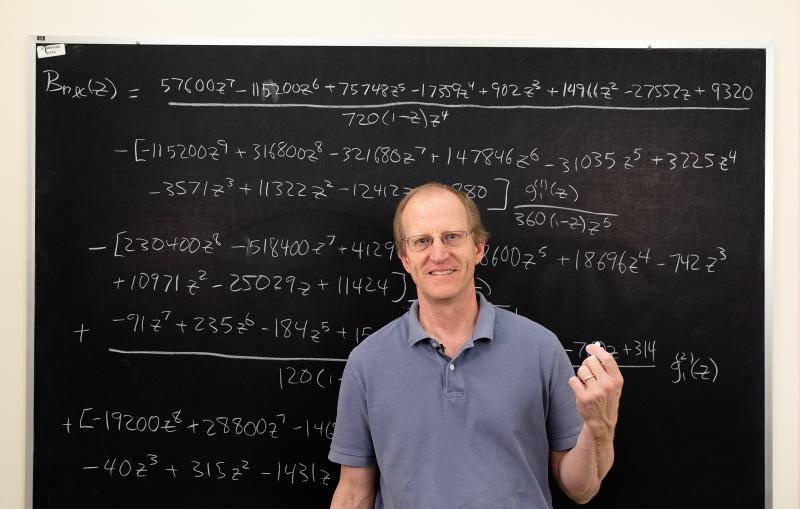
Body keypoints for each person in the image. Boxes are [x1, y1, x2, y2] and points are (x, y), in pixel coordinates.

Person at [328, 182, 623, 509]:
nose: (438, 254)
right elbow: (354, 493)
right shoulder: (368, 362)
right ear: (406, 258)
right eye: (422, 241)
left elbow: (580, 488)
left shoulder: (540, 348)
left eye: (452, 236)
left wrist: (600, 426)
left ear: (479, 246)